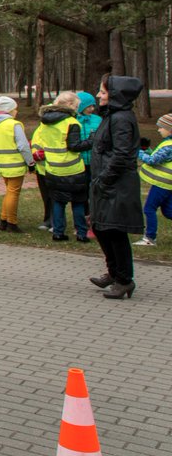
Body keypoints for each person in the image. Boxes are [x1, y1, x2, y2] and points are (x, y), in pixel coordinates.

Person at [87, 75, 144, 299]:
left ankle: (124, 279)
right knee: (101, 228)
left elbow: (121, 154)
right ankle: (113, 272)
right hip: (105, 182)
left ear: (115, 94)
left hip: (115, 184)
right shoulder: (111, 116)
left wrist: (105, 179)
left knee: (114, 230)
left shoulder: (121, 119)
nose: (99, 95)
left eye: (103, 91)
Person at [32, 91, 92, 242]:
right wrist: (91, 140)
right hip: (72, 168)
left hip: (52, 167)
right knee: (78, 201)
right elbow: (74, 146)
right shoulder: (71, 123)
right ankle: (81, 233)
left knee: (58, 201)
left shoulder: (45, 122)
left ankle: (58, 232)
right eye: (77, 106)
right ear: (71, 105)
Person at [0, 95, 33, 232]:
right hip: (15, 163)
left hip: (1, 164)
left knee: (9, 192)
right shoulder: (14, 124)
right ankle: (11, 222)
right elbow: (23, 146)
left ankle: (4, 220)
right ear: (9, 110)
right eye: (14, 109)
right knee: (13, 193)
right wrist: (30, 162)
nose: (16, 112)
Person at [135, 113, 172, 247]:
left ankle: (150, 238)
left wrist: (137, 152)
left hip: (162, 183)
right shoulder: (168, 144)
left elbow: (153, 161)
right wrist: (148, 150)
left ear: (169, 129)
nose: (158, 130)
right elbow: (159, 156)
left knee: (149, 208)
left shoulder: (168, 145)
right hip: (167, 184)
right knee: (168, 211)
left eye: (161, 127)